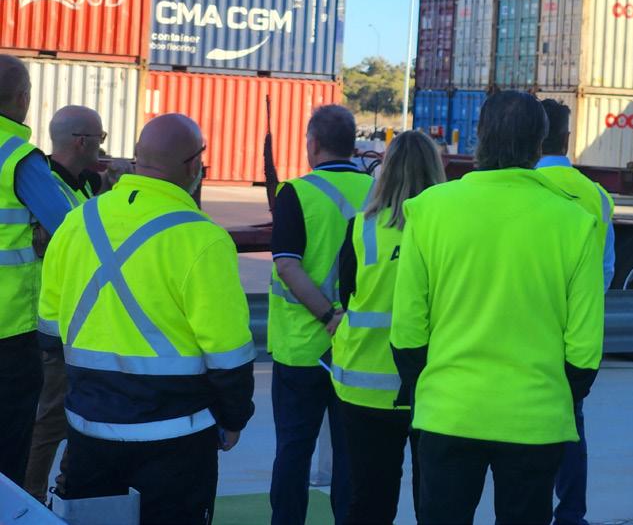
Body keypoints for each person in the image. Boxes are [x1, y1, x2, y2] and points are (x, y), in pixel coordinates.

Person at [391, 90, 604, 525]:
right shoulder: (576, 222)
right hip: (535, 416)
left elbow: (408, 330)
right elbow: (584, 349)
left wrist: (430, 387)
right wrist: (554, 395)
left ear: (479, 136)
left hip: (449, 410)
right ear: (540, 145)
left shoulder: (429, 210)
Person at [37, 114, 256, 525]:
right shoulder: (203, 239)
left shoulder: (78, 221)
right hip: (176, 440)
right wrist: (233, 419)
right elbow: (228, 354)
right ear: (194, 166)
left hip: (89, 433)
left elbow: (50, 331)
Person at [332, 130, 445, 525]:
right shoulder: (445, 232)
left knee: (369, 503)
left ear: (386, 170)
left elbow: (347, 296)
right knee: (434, 504)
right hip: (430, 387)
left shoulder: (360, 228)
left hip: (363, 386)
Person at [269, 104, 372, 525]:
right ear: (352, 145)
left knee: (293, 451)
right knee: (351, 456)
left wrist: (329, 314)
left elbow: (287, 266)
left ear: (312, 144)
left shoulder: (295, 193)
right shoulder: (378, 191)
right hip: (360, 348)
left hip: (301, 350)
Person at [537, 98, 614, 525]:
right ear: (566, 138)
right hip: (575, 330)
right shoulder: (597, 195)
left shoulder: (525, 184)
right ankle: (571, 513)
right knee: (572, 423)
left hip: (528, 325)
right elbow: (605, 270)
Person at [0, 55, 75, 487]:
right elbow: (68, 230)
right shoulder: (17, 157)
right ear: (23, 98)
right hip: (9, 333)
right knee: (10, 450)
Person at [25, 106, 106, 501]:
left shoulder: (81, 184)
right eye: (100, 139)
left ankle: (66, 490)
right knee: (50, 420)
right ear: (81, 141)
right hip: (54, 323)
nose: (103, 147)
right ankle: (31, 499)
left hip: (80, 320)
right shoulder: (45, 187)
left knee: (82, 414)